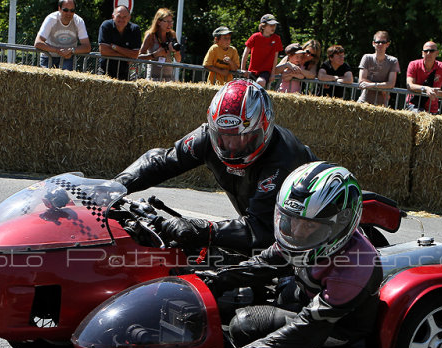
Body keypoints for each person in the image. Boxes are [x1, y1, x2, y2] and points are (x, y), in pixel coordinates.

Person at [199, 161, 382, 348]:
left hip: (335, 328)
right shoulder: (308, 238)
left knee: (244, 324)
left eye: (308, 225)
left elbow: (310, 328)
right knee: (231, 296)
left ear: (340, 223)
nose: (295, 231)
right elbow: (265, 262)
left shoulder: (356, 266)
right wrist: (215, 280)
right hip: (302, 296)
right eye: (292, 220)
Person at [113, 79, 316, 256]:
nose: (232, 147)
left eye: (244, 139)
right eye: (224, 138)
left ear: (265, 128)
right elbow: (162, 161)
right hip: (256, 226)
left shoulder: (284, 158)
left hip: (302, 241)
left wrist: (204, 229)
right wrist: (115, 186)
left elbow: (262, 229)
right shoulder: (207, 137)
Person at [34, 0, 90, 70]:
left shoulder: (79, 21)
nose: (69, 13)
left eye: (72, 10)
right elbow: (38, 43)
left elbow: (87, 47)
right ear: (59, 9)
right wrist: (57, 50)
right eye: (65, 10)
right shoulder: (51, 19)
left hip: (68, 59)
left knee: (66, 80)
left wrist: (71, 50)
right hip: (48, 57)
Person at [405, 41, 442, 113]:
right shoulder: (413, 64)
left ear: (437, 53)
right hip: (413, 104)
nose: (428, 53)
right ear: (422, 53)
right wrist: (425, 89)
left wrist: (437, 93)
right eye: (426, 51)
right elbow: (409, 85)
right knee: (420, 115)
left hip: (432, 108)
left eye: (431, 51)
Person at [138, 7, 182, 82]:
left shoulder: (172, 35)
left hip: (169, 79)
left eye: (171, 21)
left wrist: (175, 51)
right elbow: (139, 57)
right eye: (167, 21)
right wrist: (155, 54)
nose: (170, 25)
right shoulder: (151, 36)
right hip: (153, 78)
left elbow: (178, 59)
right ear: (158, 22)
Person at [98, 5, 141, 80]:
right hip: (105, 71)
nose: (121, 19)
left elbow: (135, 54)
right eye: (119, 16)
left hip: (124, 72)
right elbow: (103, 51)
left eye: (124, 17)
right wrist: (126, 55)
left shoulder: (135, 29)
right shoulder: (106, 26)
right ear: (113, 16)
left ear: (129, 17)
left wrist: (115, 47)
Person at [357, 30, 400, 106]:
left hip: (382, 104)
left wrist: (371, 85)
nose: (380, 44)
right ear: (373, 43)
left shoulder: (393, 61)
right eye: (378, 42)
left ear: (387, 44)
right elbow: (362, 80)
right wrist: (382, 89)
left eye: (383, 42)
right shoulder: (366, 58)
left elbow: (391, 84)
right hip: (364, 101)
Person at [241, 13, 283, 88]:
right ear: (263, 26)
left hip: (266, 71)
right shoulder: (255, 37)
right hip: (253, 70)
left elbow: (275, 57)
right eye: (270, 25)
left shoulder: (276, 38)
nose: (273, 27)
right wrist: (243, 69)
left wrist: (273, 74)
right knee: (249, 88)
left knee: (260, 82)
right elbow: (246, 52)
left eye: (274, 25)